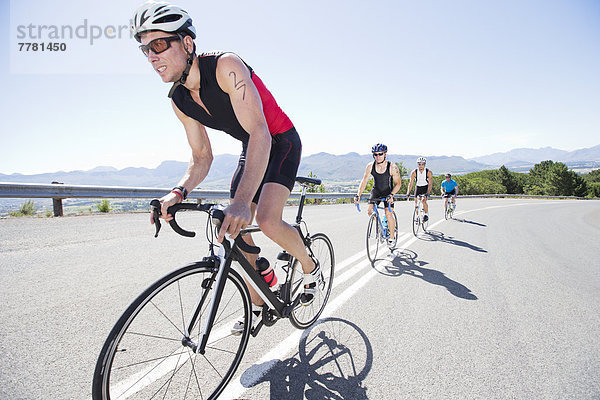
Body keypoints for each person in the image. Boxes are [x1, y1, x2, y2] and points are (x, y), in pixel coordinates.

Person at [130, 1, 320, 334]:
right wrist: (178, 192)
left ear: (187, 43)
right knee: (232, 231)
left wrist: (243, 201)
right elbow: (201, 157)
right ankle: (258, 302)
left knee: (265, 219)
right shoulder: (180, 100)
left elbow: (261, 131)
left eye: (159, 44)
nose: (151, 56)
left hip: (280, 141)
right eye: (145, 49)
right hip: (253, 146)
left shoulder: (225, 66)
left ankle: (309, 264)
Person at [355, 144, 402, 246]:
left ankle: (392, 236)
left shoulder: (392, 167)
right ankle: (380, 227)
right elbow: (364, 181)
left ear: (385, 154)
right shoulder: (370, 166)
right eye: (375, 155)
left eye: (380, 154)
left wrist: (392, 194)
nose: (377, 157)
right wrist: (358, 194)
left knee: (388, 214)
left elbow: (398, 184)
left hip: (388, 192)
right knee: (370, 211)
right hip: (376, 191)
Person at [406, 157, 433, 221]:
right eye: (419, 164)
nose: (421, 166)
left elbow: (430, 184)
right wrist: (408, 193)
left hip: (425, 187)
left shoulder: (428, 172)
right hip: (418, 187)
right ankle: (417, 216)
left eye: (422, 164)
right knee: (416, 202)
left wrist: (428, 193)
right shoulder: (414, 172)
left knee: (423, 200)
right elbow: (411, 183)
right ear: (417, 164)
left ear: (425, 164)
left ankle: (426, 214)